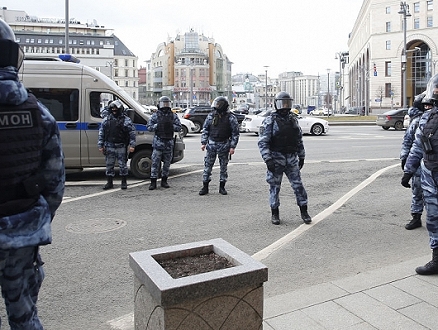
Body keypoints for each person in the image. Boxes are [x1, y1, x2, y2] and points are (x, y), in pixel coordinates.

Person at [0, 18, 65, 329]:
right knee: (25, 317)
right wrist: (32, 223)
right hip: (21, 234)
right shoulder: (37, 112)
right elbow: (54, 184)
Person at [402, 73, 438, 275]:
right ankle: (436, 259)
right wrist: (408, 171)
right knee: (433, 219)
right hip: (430, 176)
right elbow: (417, 146)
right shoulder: (427, 117)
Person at [258, 91, 311, 225]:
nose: (285, 107)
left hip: (291, 158)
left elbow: (298, 139)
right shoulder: (270, 120)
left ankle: (304, 211)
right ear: (276, 104)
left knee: (298, 186)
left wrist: (302, 155)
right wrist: (268, 159)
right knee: (275, 187)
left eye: (287, 103)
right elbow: (263, 142)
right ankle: (275, 213)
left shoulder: (293, 119)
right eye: (282, 103)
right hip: (276, 158)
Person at [400, 93, 432, 230]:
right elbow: (408, 142)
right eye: (426, 105)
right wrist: (404, 159)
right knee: (417, 191)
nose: (428, 108)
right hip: (419, 164)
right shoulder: (418, 121)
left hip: (431, 163)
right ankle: (416, 217)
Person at [199, 96, 240, 195]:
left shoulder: (230, 117)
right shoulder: (211, 116)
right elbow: (205, 129)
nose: (216, 106)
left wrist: (232, 147)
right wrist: (203, 143)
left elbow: (235, 133)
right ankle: (205, 187)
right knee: (208, 166)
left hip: (224, 145)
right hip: (212, 144)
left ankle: (222, 187)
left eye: (218, 104)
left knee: (223, 167)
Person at [98, 99, 136, 190]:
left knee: (122, 165)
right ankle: (109, 182)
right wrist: (100, 145)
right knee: (109, 165)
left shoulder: (126, 120)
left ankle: (124, 182)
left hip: (121, 146)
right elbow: (101, 132)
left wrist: (132, 145)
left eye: (116, 108)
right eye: (112, 108)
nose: (114, 110)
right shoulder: (107, 120)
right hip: (109, 145)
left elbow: (132, 133)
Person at [147, 96, 181, 190]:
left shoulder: (173, 115)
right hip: (158, 143)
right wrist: (158, 125)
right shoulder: (155, 115)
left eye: (167, 104)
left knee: (167, 163)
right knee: (155, 163)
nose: (165, 106)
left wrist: (171, 126)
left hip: (168, 143)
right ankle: (153, 182)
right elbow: (149, 127)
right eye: (164, 104)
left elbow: (179, 127)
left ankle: (164, 181)